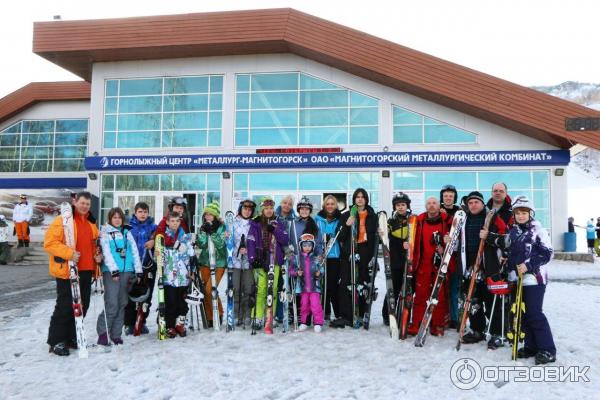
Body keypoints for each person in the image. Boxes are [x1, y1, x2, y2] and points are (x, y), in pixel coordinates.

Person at [492, 195, 556, 364]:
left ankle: (547, 349)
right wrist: (505, 258)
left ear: (531, 213)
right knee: (523, 313)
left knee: (535, 313)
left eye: (524, 213)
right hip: (517, 278)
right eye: (518, 213)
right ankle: (531, 345)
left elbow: (547, 253)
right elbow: (510, 249)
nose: (521, 216)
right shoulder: (514, 231)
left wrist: (528, 265)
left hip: (534, 278)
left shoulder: (538, 231)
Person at [44, 191, 102, 356]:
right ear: (75, 202)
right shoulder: (64, 220)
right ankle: (56, 341)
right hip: (68, 271)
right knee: (65, 306)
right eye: (82, 203)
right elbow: (50, 243)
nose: (85, 206)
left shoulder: (91, 223)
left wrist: (98, 255)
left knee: (82, 306)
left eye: (88, 204)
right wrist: (69, 254)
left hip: (86, 270)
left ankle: (71, 337)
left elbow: (95, 245)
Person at [458, 191, 507, 349]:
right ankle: (477, 330)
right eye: (470, 203)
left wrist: (489, 236)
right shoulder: (463, 220)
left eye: (476, 202)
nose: (473, 205)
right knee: (473, 301)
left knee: (492, 301)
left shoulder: (492, 218)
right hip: (470, 266)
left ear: (482, 203)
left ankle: (496, 333)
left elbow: (505, 238)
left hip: (489, 267)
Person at [331, 189, 377, 329]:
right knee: (346, 283)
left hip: (365, 252)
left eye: (362, 197)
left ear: (366, 199)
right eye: (357, 197)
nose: (360, 199)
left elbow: (375, 237)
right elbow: (339, 237)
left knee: (363, 282)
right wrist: (346, 225)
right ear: (354, 199)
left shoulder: (372, 216)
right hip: (350, 252)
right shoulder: (346, 215)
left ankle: (361, 313)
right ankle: (346, 316)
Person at [407, 197, 453, 336]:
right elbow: (411, 238)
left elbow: (457, 237)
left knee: (439, 296)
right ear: (425, 206)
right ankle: (417, 325)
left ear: (440, 206)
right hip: (423, 264)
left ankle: (437, 325)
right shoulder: (418, 220)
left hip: (440, 264)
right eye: (429, 203)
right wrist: (407, 244)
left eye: (434, 203)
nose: (431, 206)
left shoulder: (448, 220)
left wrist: (448, 242)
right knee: (421, 295)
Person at [96, 207, 142, 345]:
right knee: (112, 303)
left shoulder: (127, 232)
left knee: (122, 303)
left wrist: (138, 270)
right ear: (110, 219)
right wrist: (113, 270)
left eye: (119, 217)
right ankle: (103, 333)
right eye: (114, 217)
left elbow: (134, 252)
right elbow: (107, 252)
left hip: (127, 271)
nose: (117, 220)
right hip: (112, 273)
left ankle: (116, 334)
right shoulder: (105, 233)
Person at [251, 197, 289, 330]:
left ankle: (270, 316)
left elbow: (285, 239)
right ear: (262, 209)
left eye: (271, 208)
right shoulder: (256, 222)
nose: (268, 211)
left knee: (272, 289)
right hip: (261, 260)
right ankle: (258, 316)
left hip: (275, 260)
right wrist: (252, 257)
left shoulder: (278, 221)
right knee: (261, 289)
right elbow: (251, 241)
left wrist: (274, 230)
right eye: (266, 208)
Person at [159, 211, 196, 338]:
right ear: (168, 222)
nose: (175, 223)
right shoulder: (162, 237)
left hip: (183, 277)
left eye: (177, 221)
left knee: (183, 303)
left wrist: (192, 272)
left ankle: (180, 324)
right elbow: (157, 258)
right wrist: (157, 256)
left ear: (180, 222)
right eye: (172, 221)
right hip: (169, 278)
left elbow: (191, 256)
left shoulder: (185, 238)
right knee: (171, 303)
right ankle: (169, 326)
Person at [123, 202, 157, 335]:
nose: (143, 214)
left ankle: (141, 321)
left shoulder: (154, 228)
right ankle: (129, 323)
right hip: (132, 267)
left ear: (148, 213)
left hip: (149, 266)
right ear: (135, 213)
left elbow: (162, 234)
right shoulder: (128, 227)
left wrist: (154, 241)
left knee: (146, 296)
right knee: (131, 295)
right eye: (140, 212)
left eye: (145, 212)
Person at [381, 192, 411, 326]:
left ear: (407, 206)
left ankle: (405, 315)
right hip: (395, 261)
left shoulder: (413, 221)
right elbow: (385, 238)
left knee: (408, 290)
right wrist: (381, 232)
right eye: (398, 205)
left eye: (403, 205)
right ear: (395, 207)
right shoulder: (391, 222)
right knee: (393, 289)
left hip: (409, 260)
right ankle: (388, 315)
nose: (400, 207)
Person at [196, 201, 227, 328]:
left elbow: (221, 246)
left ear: (215, 216)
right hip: (205, 262)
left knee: (210, 289)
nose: (208, 217)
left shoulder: (222, 227)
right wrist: (203, 232)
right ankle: (209, 317)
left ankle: (219, 313)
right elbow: (201, 245)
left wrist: (212, 232)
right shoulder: (203, 227)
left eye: (211, 214)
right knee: (205, 291)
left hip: (219, 263)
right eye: (206, 214)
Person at [232, 199, 262, 327]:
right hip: (235, 261)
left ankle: (247, 314)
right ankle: (236, 315)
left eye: (250, 209)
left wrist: (249, 250)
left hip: (249, 262)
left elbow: (257, 242)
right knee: (236, 289)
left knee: (249, 289)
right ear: (240, 209)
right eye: (245, 208)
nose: (247, 211)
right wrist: (236, 249)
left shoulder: (254, 224)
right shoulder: (233, 223)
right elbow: (228, 241)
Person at [290, 234, 325, 332]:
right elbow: (291, 271)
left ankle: (318, 323)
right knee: (304, 305)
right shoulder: (298, 259)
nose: (307, 248)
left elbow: (322, 269)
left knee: (315, 305)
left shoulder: (316, 258)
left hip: (314, 288)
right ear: (301, 246)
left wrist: (319, 272)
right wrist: (297, 272)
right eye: (305, 245)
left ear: (313, 246)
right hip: (303, 287)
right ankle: (304, 322)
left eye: (309, 245)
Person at [315, 195, 342, 321]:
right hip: (321, 256)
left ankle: (337, 312)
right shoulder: (318, 219)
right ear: (324, 206)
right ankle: (324, 311)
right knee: (322, 285)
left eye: (332, 204)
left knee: (333, 285)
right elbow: (315, 236)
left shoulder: (340, 219)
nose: (330, 206)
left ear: (336, 205)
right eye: (328, 204)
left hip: (334, 256)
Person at [274, 195, 296, 323]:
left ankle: (284, 313)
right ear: (281, 203)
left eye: (289, 204)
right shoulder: (274, 217)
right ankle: (276, 313)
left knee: (285, 284)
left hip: (289, 255)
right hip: (276, 255)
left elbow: (294, 236)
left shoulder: (294, 219)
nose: (287, 205)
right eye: (285, 202)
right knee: (276, 284)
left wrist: (293, 254)